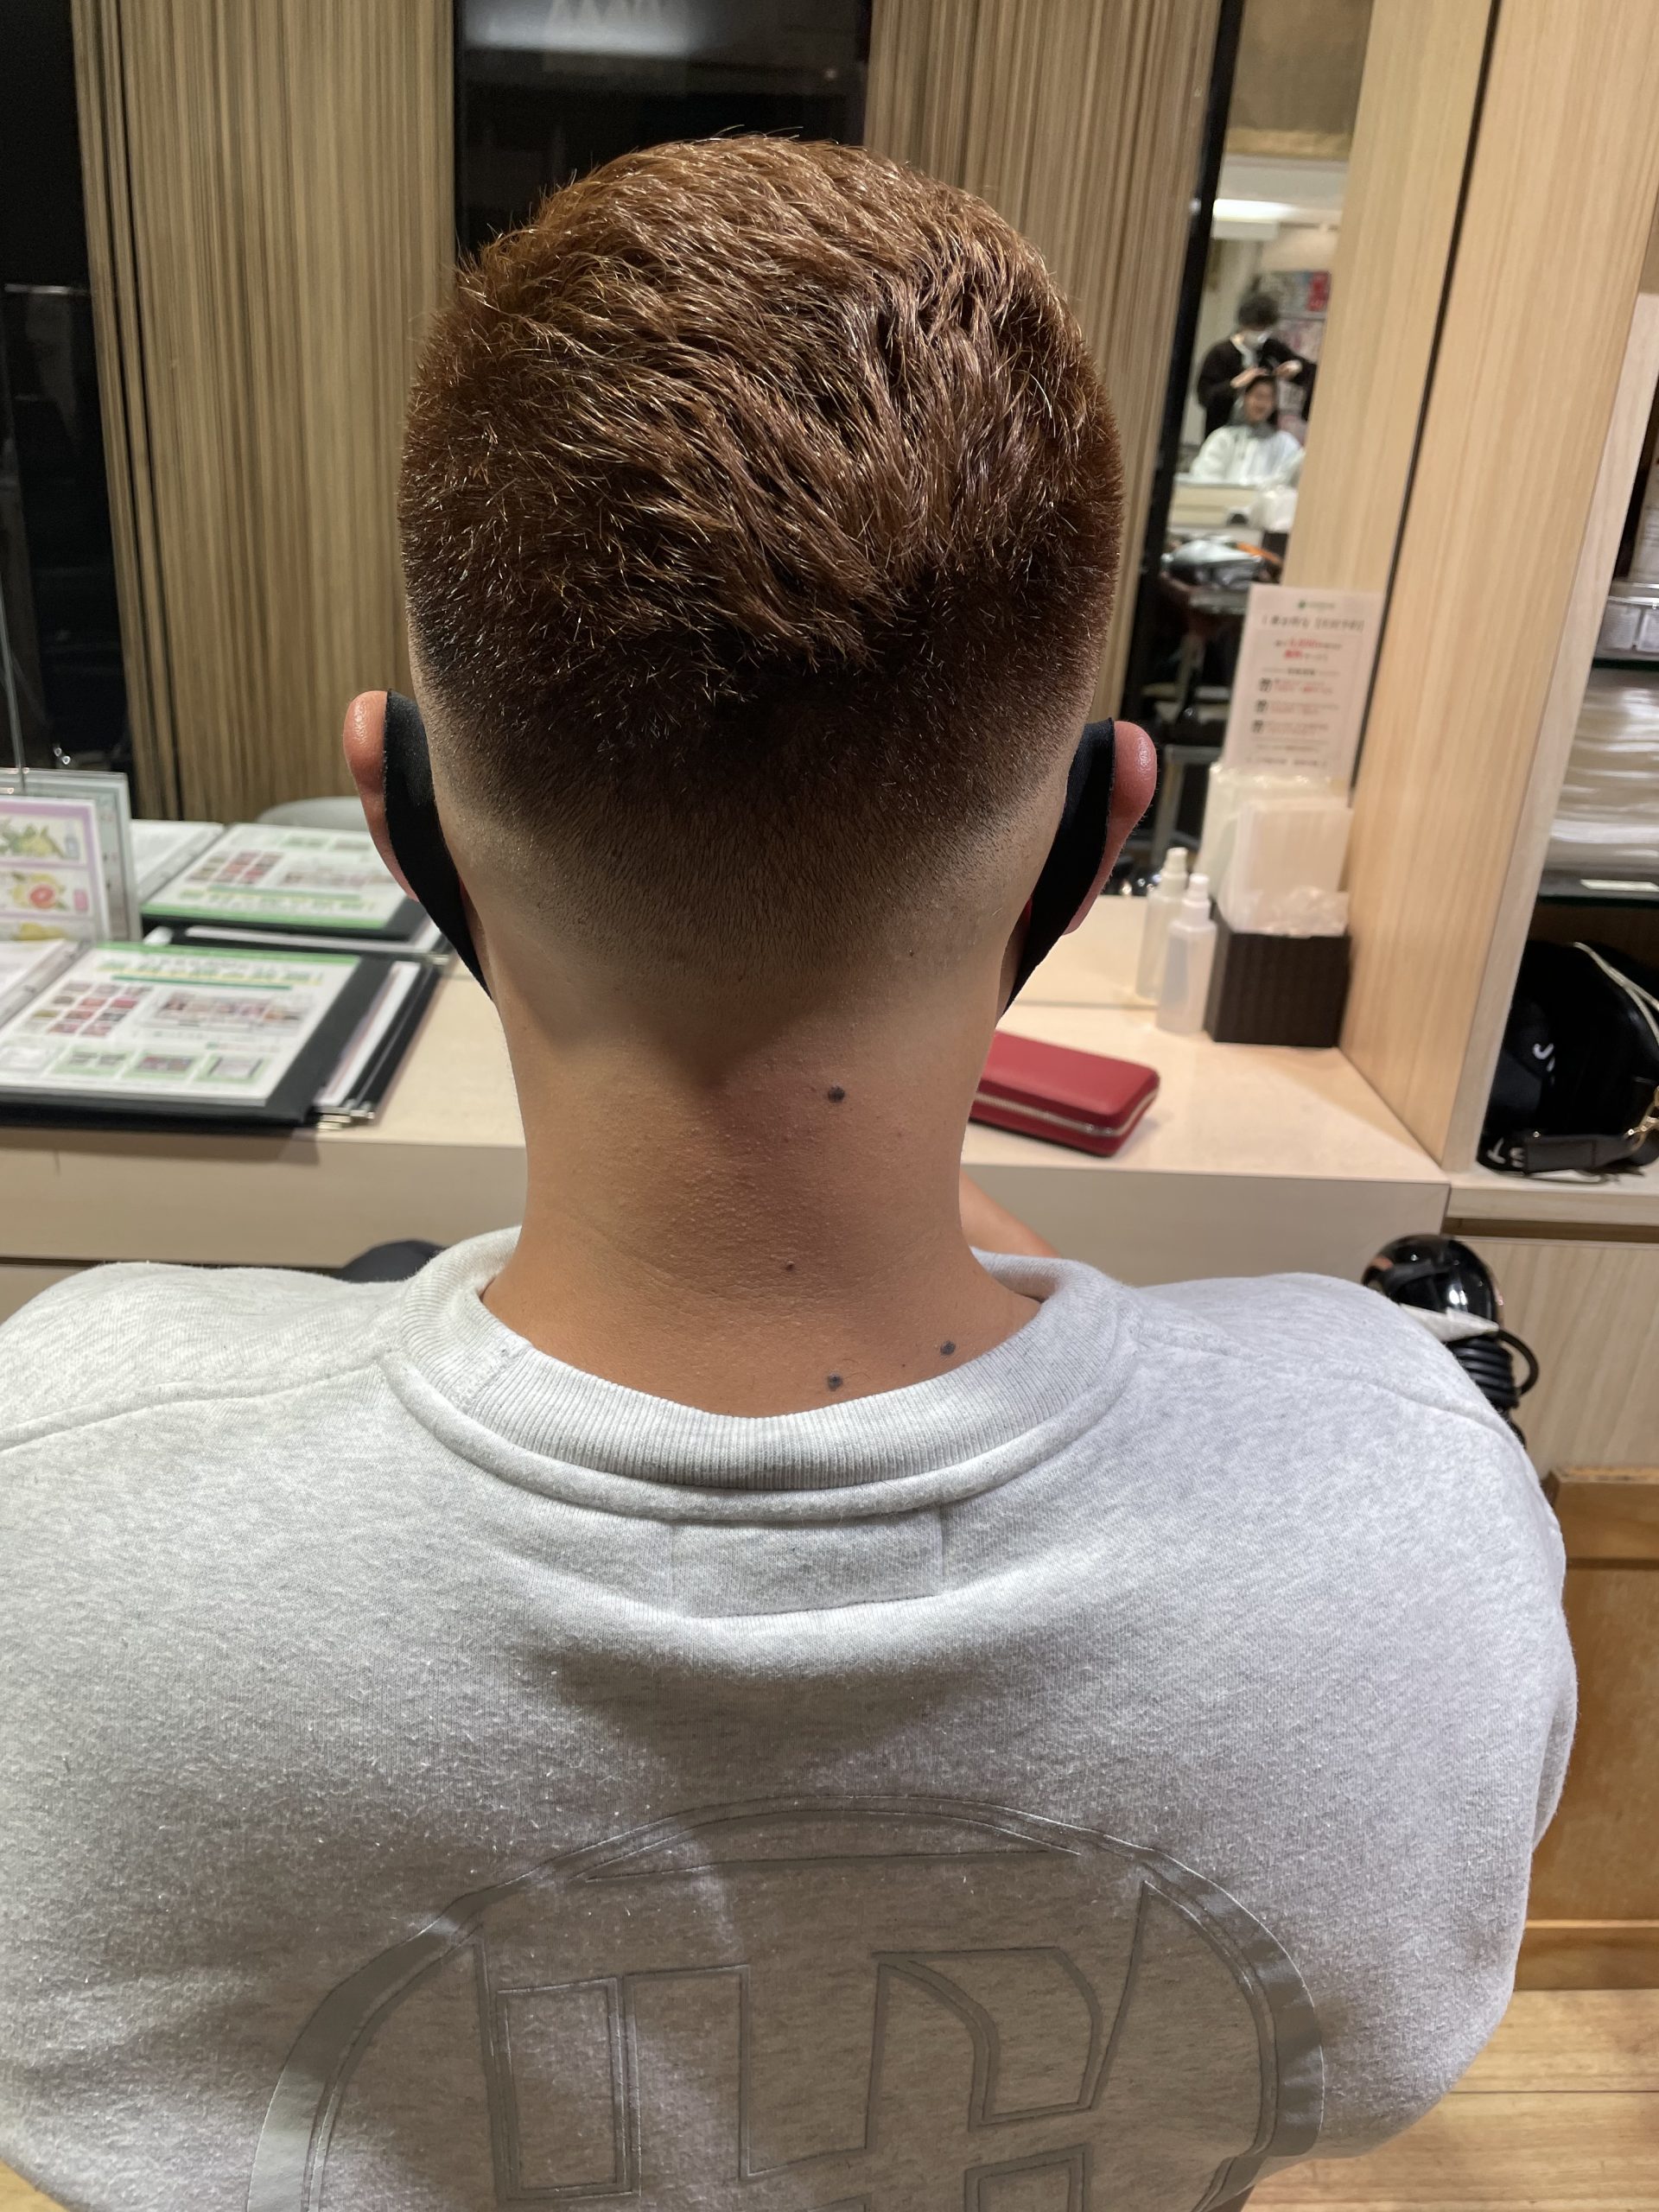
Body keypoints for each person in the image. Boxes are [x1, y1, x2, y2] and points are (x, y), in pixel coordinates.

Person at [0, 139, 1572, 2212]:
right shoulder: (1409, 1500)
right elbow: (1359, 2075)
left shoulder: (61, 1475)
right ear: (1101, 828)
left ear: (399, 813)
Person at [1194, 287, 1312, 437]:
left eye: (1265, 328)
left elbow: (1310, 370)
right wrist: (1235, 384)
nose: (1260, 333)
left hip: (1263, 434)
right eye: (1256, 327)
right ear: (1243, 324)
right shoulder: (1220, 353)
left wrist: (1297, 367)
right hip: (1224, 431)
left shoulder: (1272, 348)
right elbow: (1205, 397)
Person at [1187, 371, 1306, 487]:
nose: (1262, 403)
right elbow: (1204, 479)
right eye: (1258, 396)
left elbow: (1289, 483)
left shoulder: (1285, 444)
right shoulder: (1222, 438)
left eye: (1268, 398)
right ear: (1245, 398)